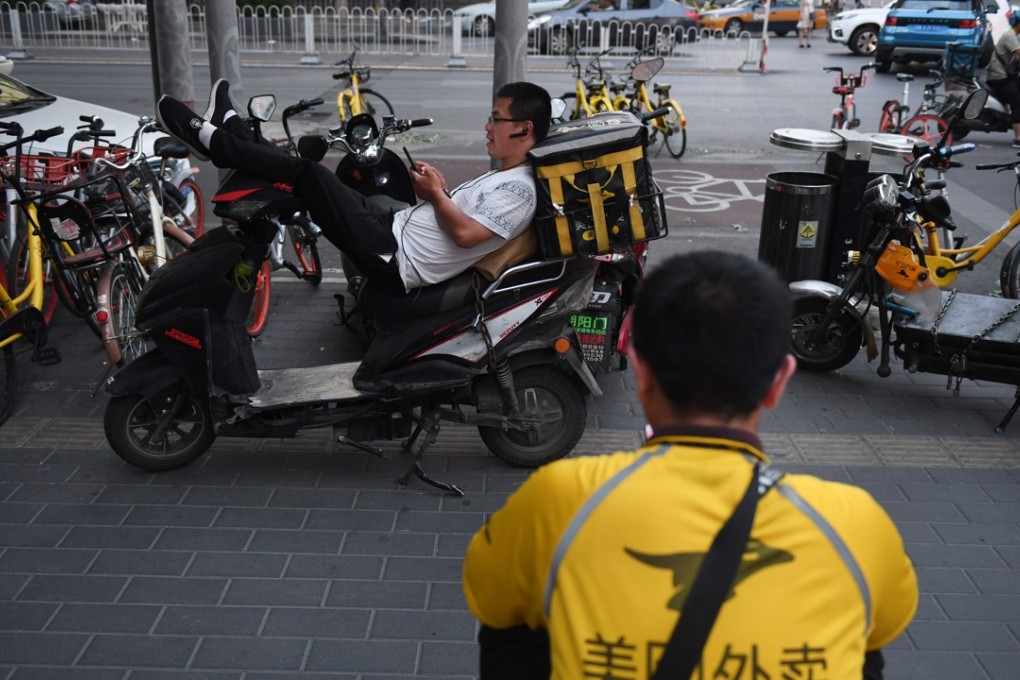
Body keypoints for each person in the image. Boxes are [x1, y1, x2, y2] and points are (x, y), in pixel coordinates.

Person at [462, 250, 918, 680]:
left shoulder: (560, 501)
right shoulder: (853, 524)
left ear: (640, 372)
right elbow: (883, 628)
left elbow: (491, 602)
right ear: (779, 382)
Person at [155, 80, 551, 293]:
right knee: (301, 180)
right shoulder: (506, 176)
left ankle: (218, 142)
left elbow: (466, 235)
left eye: (495, 119)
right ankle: (233, 128)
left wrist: (434, 196)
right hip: (393, 229)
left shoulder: (521, 191)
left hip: (395, 257)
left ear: (523, 128)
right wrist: (441, 194)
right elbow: (466, 221)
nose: (487, 126)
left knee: (310, 175)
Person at [987, 11, 1020, 148]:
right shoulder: (1009, 36)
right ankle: (1018, 138)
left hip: (1006, 75)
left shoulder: (1013, 36)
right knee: (1017, 102)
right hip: (999, 77)